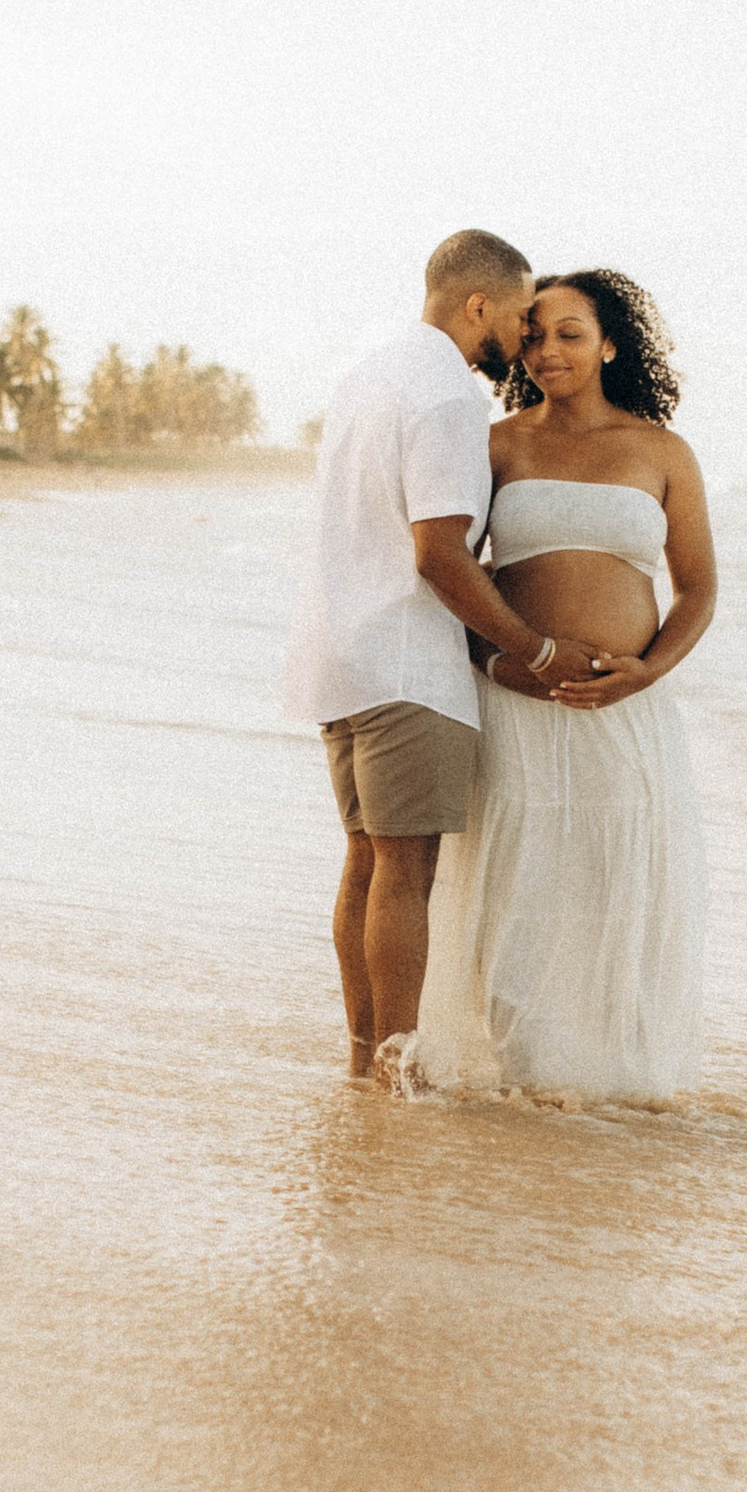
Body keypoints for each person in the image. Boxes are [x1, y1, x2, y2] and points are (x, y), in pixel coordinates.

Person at [284, 232, 602, 1089]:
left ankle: (365, 1064)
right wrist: (533, 647)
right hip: (403, 662)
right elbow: (440, 553)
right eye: (519, 316)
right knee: (404, 873)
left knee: (366, 862)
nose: (525, 339)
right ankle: (397, 1070)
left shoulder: (366, 375)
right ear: (477, 307)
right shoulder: (449, 396)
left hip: (339, 655)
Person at [406, 267, 716, 1105]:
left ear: (611, 343)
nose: (546, 351)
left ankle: (620, 1076)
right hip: (517, 703)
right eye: (534, 334)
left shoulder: (662, 452)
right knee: (521, 887)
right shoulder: (499, 443)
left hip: (626, 711)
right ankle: (532, 1074)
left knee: (618, 885)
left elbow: (697, 589)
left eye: (570, 334)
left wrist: (646, 671)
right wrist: (493, 658)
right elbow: (452, 569)